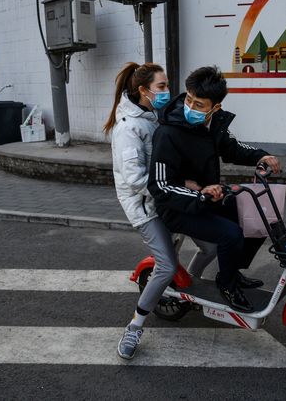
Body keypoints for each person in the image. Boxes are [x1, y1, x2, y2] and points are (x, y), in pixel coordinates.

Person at [148, 66, 281, 313]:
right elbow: (160, 186)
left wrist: (262, 157)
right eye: (189, 99)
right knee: (230, 234)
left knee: (255, 217)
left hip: (206, 198)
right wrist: (200, 194)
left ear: (214, 108)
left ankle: (231, 272)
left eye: (199, 105)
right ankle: (227, 285)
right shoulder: (168, 133)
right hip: (177, 208)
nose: (190, 107)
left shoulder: (214, 124)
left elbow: (232, 148)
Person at [103, 62, 174, 360]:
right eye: (161, 87)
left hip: (164, 198)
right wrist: (173, 190)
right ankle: (135, 326)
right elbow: (134, 179)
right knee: (167, 266)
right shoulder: (128, 128)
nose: (166, 91)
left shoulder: (152, 116)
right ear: (143, 90)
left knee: (209, 242)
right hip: (145, 207)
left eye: (167, 85)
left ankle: (186, 294)